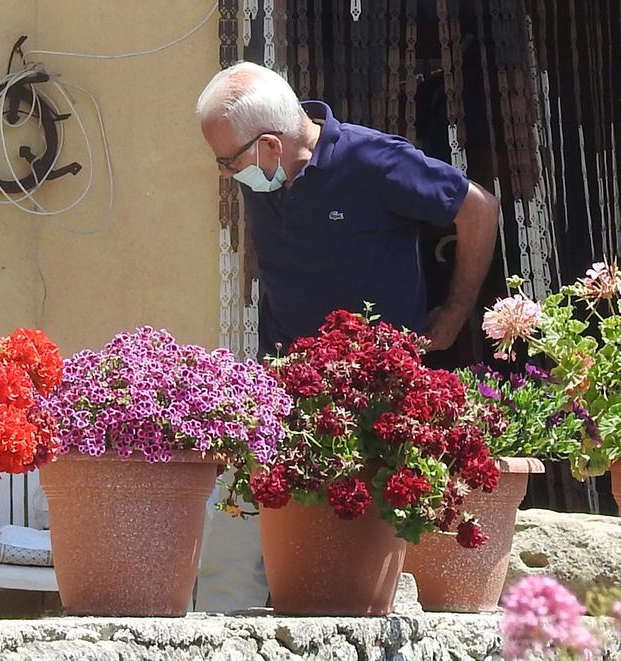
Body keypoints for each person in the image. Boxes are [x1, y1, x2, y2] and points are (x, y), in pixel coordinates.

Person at [193, 61, 500, 612]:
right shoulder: (266, 175)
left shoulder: (371, 161)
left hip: (374, 409)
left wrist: (455, 311)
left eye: (226, 161)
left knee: (353, 577)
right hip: (281, 393)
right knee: (232, 556)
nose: (223, 173)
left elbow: (477, 207)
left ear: (269, 144)